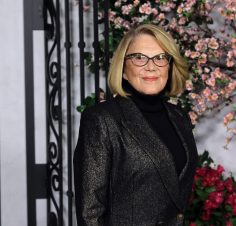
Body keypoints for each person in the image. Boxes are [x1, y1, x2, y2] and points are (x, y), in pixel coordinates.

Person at [73, 24, 198, 226]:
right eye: (139, 58)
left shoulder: (179, 117)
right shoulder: (102, 119)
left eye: (160, 57)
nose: (151, 66)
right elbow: (90, 212)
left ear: (170, 65)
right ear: (123, 69)